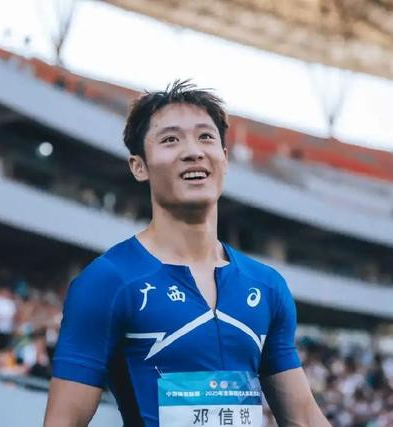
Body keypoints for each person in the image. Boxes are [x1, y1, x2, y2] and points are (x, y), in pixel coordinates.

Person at [44, 81, 330, 426]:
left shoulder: (267, 286)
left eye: (206, 137)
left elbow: (304, 418)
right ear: (139, 166)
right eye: (170, 140)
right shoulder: (108, 281)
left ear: (225, 158)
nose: (193, 151)